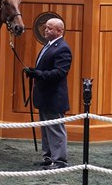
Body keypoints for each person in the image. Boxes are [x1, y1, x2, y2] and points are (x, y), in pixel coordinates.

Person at [24, 18, 72, 170]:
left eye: (50, 28)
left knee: (55, 130)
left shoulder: (62, 48)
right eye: (46, 27)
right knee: (46, 129)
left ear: (60, 31)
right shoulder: (48, 46)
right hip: (44, 96)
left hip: (54, 97)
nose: (46, 30)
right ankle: (48, 158)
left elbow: (60, 73)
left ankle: (59, 162)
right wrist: (35, 71)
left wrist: (38, 74)